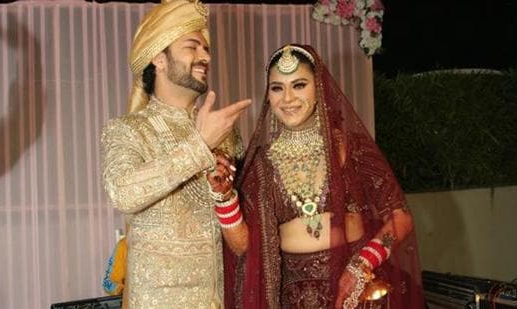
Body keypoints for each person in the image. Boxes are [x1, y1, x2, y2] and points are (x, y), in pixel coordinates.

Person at [207, 44, 425, 308]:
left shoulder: (352, 149)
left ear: (319, 87)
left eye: (299, 85)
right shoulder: (260, 164)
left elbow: (399, 218)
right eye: (277, 88)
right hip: (291, 296)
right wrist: (224, 197)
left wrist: (361, 265)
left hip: (355, 288)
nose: (287, 98)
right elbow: (244, 247)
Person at [100, 0, 251, 307]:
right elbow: (122, 192)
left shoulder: (224, 131)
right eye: (192, 46)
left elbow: (245, 222)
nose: (205, 56)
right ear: (159, 57)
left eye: (206, 48)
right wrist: (199, 145)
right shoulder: (128, 129)